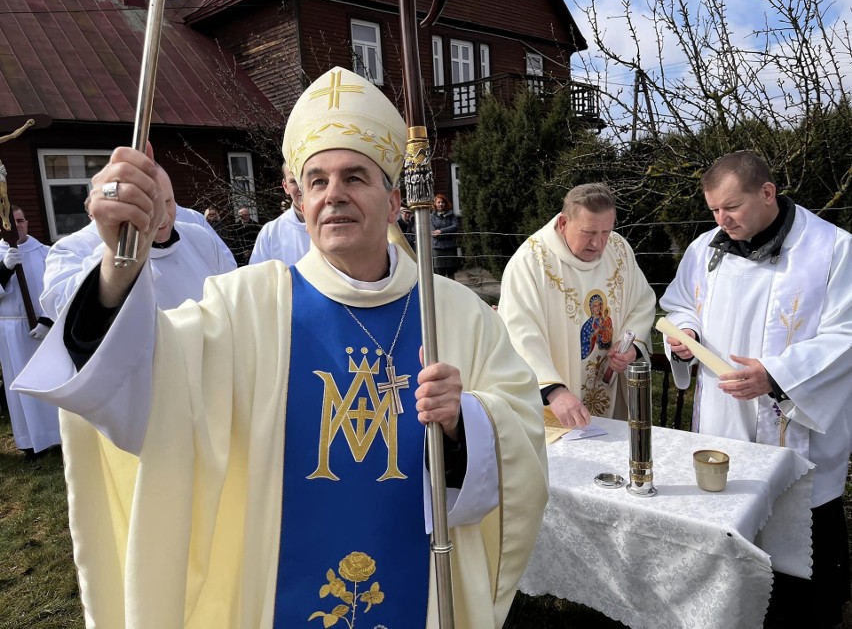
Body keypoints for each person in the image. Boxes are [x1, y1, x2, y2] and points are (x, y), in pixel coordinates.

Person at [14, 66, 547, 628]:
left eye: (355, 177)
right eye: (316, 180)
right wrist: (121, 266)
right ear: (299, 199)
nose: (333, 195)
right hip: (279, 595)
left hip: (421, 585)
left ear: (394, 203)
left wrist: (463, 422)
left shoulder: (454, 313)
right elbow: (143, 384)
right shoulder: (248, 305)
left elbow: (523, 439)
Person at [659, 151, 852, 628]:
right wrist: (686, 339)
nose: (722, 222)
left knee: (802, 543)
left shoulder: (832, 248)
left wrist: (778, 375)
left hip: (792, 416)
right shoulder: (706, 247)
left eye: (732, 208)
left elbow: (846, 333)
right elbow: (681, 303)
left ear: (767, 193)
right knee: (729, 527)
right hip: (724, 417)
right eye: (713, 211)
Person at [498, 183, 656, 427]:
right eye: (589, 232)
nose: (598, 243)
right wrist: (554, 391)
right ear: (563, 223)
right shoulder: (530, 262)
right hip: (555, 408)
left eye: (606, 231)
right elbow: (519, 334)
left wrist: (631, 347)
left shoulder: (619, 249)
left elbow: (642, 303)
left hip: (609, 398)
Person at [40, 167, 236, 320]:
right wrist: (118, 249)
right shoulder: (74, 249)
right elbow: (66, 313)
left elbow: (231, 290)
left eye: (168, 202)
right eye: (149, 207)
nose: (163, 217)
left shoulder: (199, 237)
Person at [0, 207, 59, 455]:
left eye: (21, 220)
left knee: (49, 381)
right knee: (21, 385)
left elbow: (58, 289)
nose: (18, 226)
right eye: (12, 222)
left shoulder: (46, 252)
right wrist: (4, 270)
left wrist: (48, 321)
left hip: (43, 329)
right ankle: (31, 442)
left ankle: (58, 435)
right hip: (11, 330)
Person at [249, 161, 311, 266]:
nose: (301, 187)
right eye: (293, 181)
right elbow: (258, 277)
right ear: (285, 186)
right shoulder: (271, 233)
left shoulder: (338, 222)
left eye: (305, 179)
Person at [431, 193, 460, 279]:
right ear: (435, 204)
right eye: (439, 202)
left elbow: (455, 227)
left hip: (450, 247)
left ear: (446, 203)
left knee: (451, 273)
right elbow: (433, 233)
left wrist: (440, 231)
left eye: (443, 202)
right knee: (439, 274)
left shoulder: (452, 215)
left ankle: (452, 291)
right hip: (437, 248)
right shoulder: (431, 217)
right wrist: (448, 232)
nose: (441, 204)